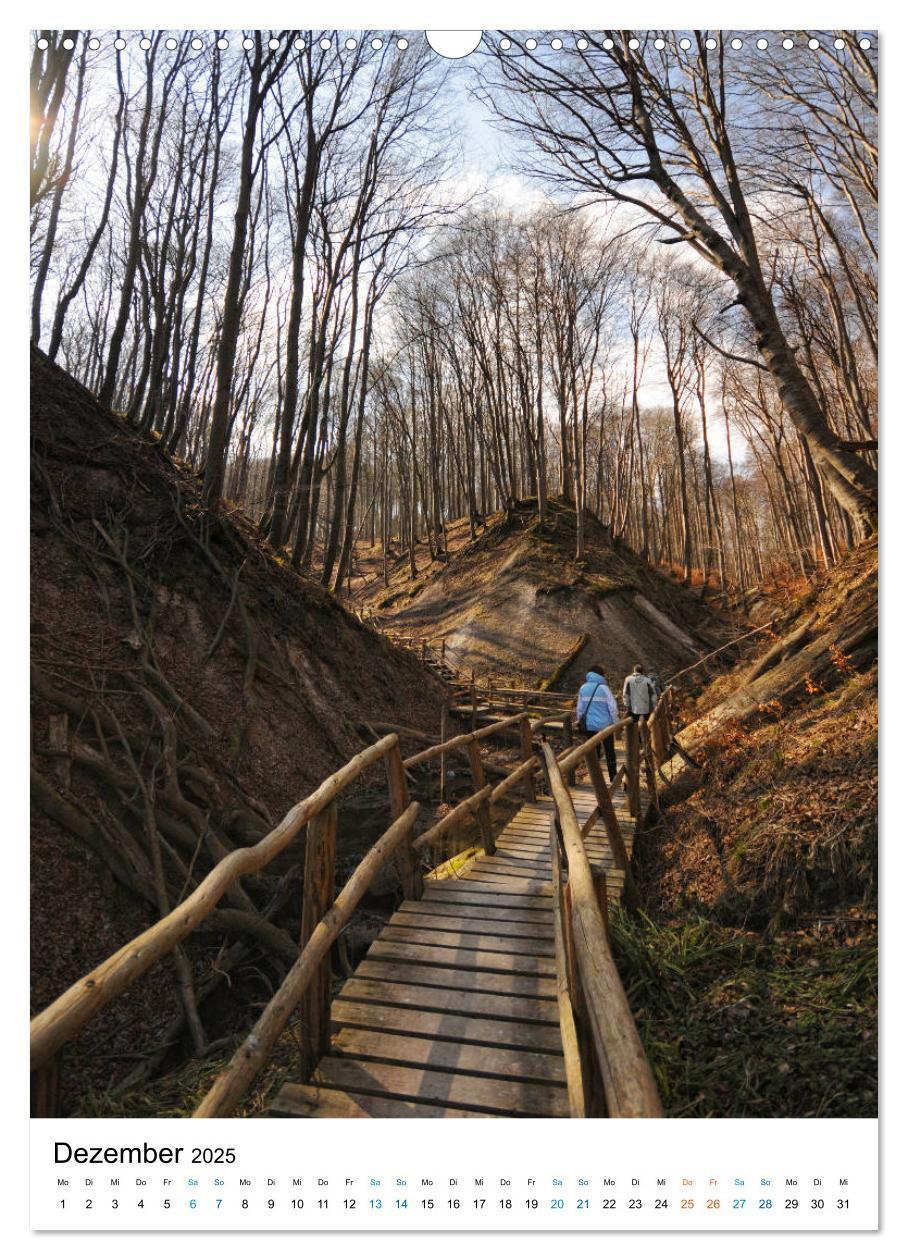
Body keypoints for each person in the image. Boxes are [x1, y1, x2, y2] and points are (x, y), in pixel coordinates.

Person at [575, 666, 619, 780]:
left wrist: (580, 721)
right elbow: (613, 708)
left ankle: (595, 778)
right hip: (605, 726)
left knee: (594, 752)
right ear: (600, 675)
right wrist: (616, 723)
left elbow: (580, 709)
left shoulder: (583, 688)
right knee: (609, 750)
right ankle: (613, 776)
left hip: (590, 726)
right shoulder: (604, 688)